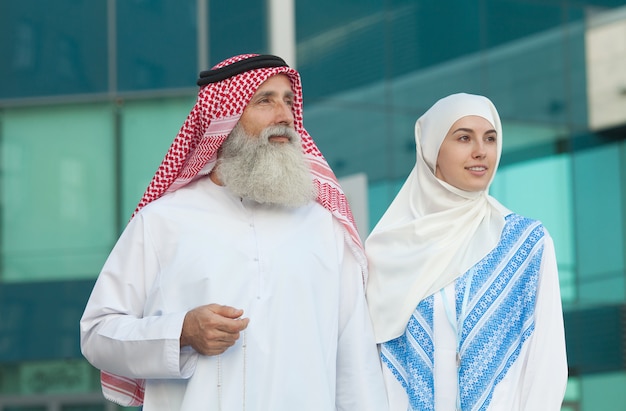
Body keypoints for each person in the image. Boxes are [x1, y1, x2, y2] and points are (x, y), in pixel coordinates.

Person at [80, 54, 388, 411]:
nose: (285, 116)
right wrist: (181, 332)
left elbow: (355, 363)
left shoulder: (324, 227)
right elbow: (98, 334)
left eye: (288, 101)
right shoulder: (163, 221)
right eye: (265, 101)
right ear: (223, 118)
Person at [365, 93, 567, 410]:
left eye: (490, 139)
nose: (480, 151)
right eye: (464, 138)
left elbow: (547, 359)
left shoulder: (525, 242)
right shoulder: (387, 252)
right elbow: (367, 369)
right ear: (432, 150)